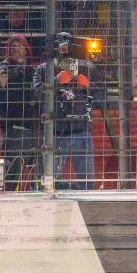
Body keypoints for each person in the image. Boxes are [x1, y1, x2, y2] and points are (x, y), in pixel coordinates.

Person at [33, 33, 104, 189]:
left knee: (86, 182)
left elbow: (102, 98)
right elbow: (36, 94)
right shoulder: (44, 69)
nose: (64, 48)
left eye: (68, 44)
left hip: (81, 129)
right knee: (50, 181)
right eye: (61, 44)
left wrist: (88, 85)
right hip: (56, 132)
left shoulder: (87, 67)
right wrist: (55, 82)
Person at [0, 35, 37, 190]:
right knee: (13, 176)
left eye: (18, 45)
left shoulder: (33, 70)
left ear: (26, 49)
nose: (15, 49)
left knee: (37, 174)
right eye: (12, 47)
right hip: (13, 130)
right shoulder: (3, 70)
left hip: (34, 128)